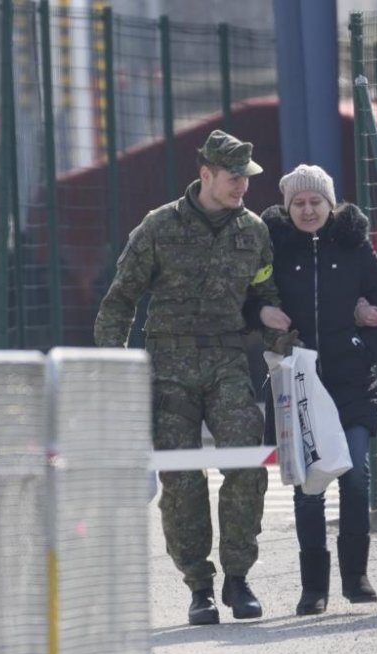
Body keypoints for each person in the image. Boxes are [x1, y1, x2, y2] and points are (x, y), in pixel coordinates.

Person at [93, 129, 291, 626]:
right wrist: (114, 366)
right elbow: (120, 299)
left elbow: (264, 296)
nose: (242, 187)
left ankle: (239, 577)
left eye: (246, 179)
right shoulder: (158, 227)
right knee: (180, 478)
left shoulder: (254, 232)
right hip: (168, 368)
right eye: (233, 178)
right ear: (205, 175)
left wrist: (275, 328)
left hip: (227, 360)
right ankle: (199, 586)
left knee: (246, 461)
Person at [257, 164, 377, 615]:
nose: (308, 209)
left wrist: (363, 346)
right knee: (309, 487)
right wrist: (263, 315)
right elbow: (251, 299)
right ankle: (313, 587)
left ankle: (356, 576)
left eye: (315, 201)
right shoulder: (274, 248)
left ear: (330, 203)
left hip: (351, 382)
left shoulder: (355, 248)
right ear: (287, 207)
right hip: (299, 383)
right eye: (298, 202)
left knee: (355, 478)